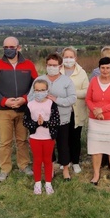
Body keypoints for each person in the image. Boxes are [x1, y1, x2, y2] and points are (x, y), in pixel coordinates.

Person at [0, 37, 38, 182]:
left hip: (23, 109)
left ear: (18, 48)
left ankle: (24, 165)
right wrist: (4, 101)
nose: (9, 49)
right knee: (5, 141)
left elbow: (36, 85)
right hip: (3, 110)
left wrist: (25, 99)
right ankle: (5, 169)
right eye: (6, 47)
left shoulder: (28, 65)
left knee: (22, 139)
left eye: (11, 47)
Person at [28, 53, 76, 182]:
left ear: (60, 66)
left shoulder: (66, 81)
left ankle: (65, 168)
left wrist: (56, 99)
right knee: (48, 145)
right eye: (49, 65)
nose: (52, 67)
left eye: (55, 65)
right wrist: (40, 96)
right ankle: (51, 168)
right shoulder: (39, 79)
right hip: (44, 121)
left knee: (63, 144)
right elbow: (30, 97)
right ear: (46, 65)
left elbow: (72, 98)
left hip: (62, 118)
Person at [86, 57, 110, 185]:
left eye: (107, 68)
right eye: (102, 68)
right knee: (96, 148)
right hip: (95, 121)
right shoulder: (93, 81)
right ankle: (96, 174)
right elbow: (88, 99)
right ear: (99, 68)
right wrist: (95, 111)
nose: (105, 70)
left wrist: (101, 110)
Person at [23, 79, 60, 195]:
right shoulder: (30, 105)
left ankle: (48, 183)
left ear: (47, 90)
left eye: (42, 90)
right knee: (37, 160)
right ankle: (37, 183)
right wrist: (36, 124)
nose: (39, 92)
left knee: (48, 160)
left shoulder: (51, 104)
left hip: (48, 137)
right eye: (37, 90)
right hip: (35, 138)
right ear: (34, 91)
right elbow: (26, 122)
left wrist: (44, 123)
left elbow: (56, 121)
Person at [60, 46, 89, 174]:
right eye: (66, 57)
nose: (68, 59)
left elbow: (86, 91)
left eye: (71, 57)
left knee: (75, 137)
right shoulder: (57, 71)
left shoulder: (81, 72)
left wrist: (71, 94)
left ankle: (75, 162)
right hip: (61, 111)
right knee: (62, 138)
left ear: (75, 58)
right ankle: (64, 161)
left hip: (76, 111)